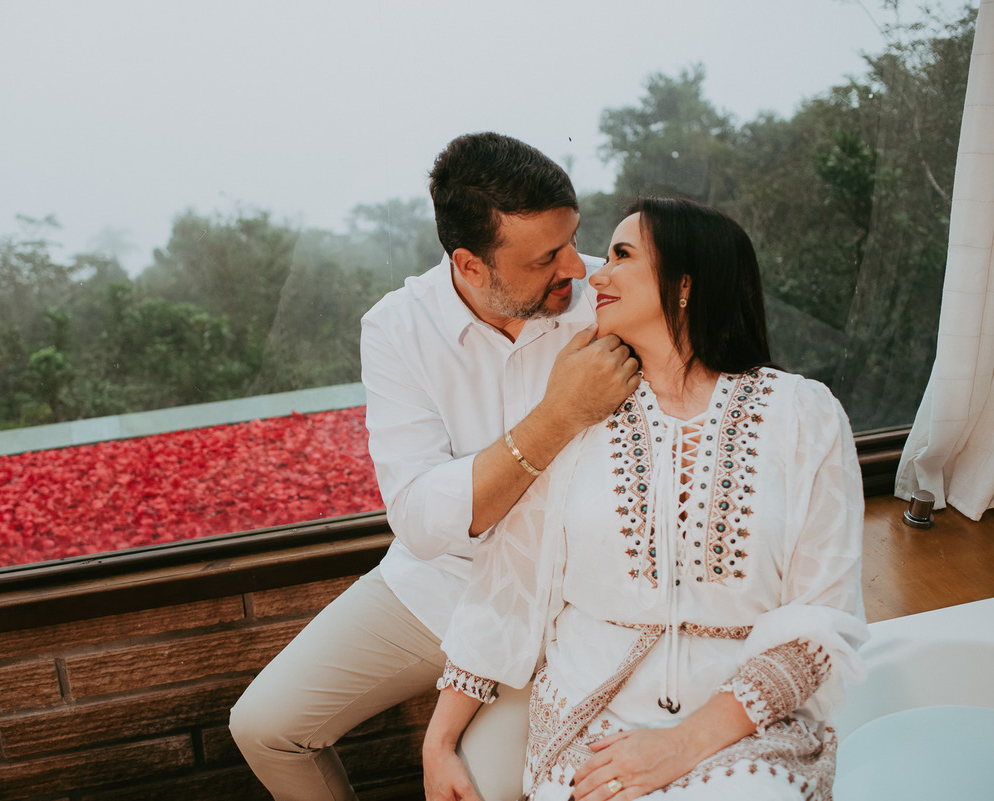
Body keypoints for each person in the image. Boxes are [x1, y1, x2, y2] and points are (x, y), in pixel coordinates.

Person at [229, 132, 640, 801]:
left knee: (469, 786)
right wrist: (559, 414)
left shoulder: (613, 299)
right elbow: (421, 520)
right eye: (546, 257)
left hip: (568, 600)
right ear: (471, 266)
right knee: (264, 726)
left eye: (573, 239)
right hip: (436, 588)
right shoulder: (396, 328)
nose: (577, 268)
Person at [424, 196, 869, 801]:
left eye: (622, 255)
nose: (595, 276)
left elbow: (821, 620)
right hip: (589, 722)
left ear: (685, 284)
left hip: (742, 727)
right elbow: (513, 580)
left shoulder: (805, 414)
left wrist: (681, 744)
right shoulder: (582, 411)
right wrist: (440, 741)